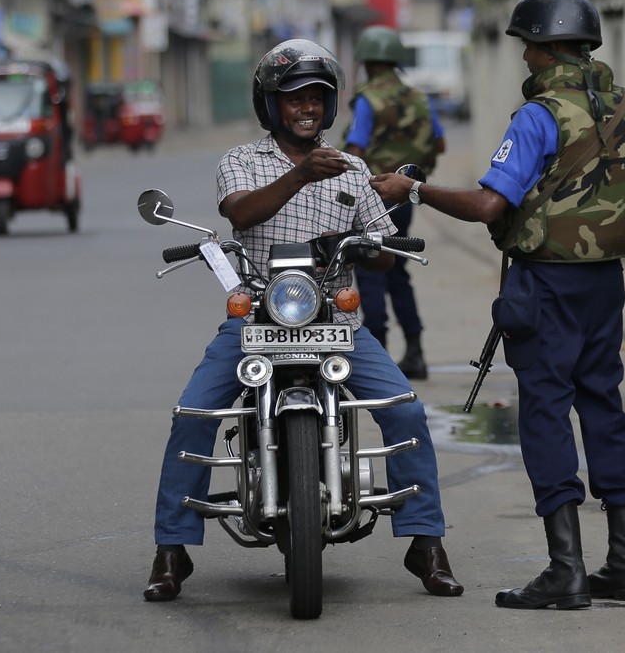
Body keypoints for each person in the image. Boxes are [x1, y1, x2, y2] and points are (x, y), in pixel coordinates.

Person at [371, 0, 625, 611]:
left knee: (545, 411)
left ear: (541, 48)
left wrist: (417, 190)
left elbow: (491, 205)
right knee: (604, 407)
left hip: (545, 285)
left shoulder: (541, 115)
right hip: (605, 284)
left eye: (526, 47)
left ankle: (565, 570)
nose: (525, 60)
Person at [144, 39, 463, 602]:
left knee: (406, 410)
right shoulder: (242, 161)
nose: (307, 107)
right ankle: (172, 550)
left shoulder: (354, 169)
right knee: (192, 412)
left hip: (337, 323)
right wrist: (301, 177)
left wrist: (360, 244)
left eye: (317, 97)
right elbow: (239, 212)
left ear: (331, 104)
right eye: (294, 99)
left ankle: (426, 543)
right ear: (271, 105)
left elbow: (387, 250)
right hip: (258, 317)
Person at [343, 25, 447, 380]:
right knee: (398, 267)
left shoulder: (366, 99)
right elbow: (440, 143)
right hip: (408, 191)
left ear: (368, 62)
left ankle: (378, 354)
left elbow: (355, 148)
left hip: (372, 193)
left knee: (371, 268)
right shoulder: (418, 97)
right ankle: (415, 350)